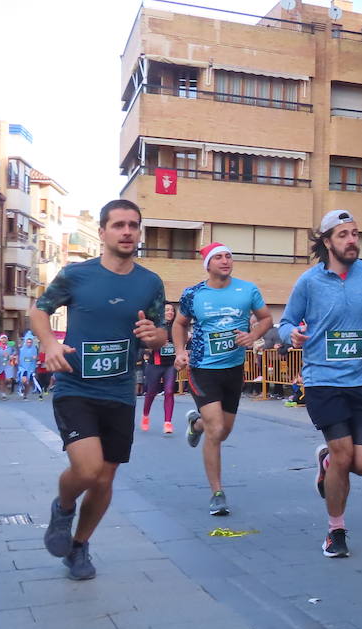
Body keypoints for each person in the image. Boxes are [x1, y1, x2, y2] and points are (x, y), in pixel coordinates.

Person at [37, 200, 167, 581]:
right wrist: (49, 344)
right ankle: (62, 507)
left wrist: (154, 336)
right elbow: (39, 309)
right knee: (89, 468)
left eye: (134, 226)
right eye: (119, 225)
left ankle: (78, 546)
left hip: (120, 392)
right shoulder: (77, 275)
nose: (127, 232)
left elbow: (159, 334)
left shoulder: (149, 282)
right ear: (104, 232)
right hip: (75, 386)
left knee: (105, 478)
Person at [275, 211, 362, 557]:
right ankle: (335, 532)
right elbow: (286, 322)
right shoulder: (309, 282)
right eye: (343, 235)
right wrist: (291, 334)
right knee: (344, 455)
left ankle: (326, 462)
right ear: (327, 242)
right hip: (323, 380)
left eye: (355, 233)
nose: (352, 240)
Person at [175, 241, 273, 518]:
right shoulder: (194, 294)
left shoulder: (247, 290)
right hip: (202, 368)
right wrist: (181, 351)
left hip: (233, 369)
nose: (225, 260)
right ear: (208, 264)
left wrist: (253, 335)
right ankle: (217, 493)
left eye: (229, 256)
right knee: (216, 430)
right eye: (218, 257)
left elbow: (265, 318)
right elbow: (179, 323)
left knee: (223, 431)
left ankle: (196, 423)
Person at [140, 303, 178, 434]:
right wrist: (157, 343)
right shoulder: (156, 326)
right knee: (151, 392)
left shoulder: (176, 327)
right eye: (167, 310)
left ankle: (168, 422)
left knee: (169, 391)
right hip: (155, 364)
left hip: (170, 364)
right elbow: (145, 343)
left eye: (172, 310)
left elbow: (182, 342)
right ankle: (145, 415)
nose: (170, 312)